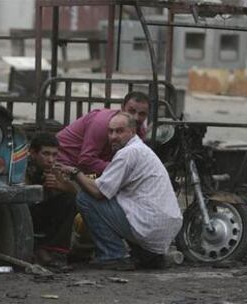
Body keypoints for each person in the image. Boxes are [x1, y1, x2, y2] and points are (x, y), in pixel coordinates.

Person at [61, 112, 182, 270]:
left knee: (86, 198)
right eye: (110, 131)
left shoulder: (128, 153)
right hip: (162, 228)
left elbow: (98, 192)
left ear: (132, 131)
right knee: (119, 202)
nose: (113, 136)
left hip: (150, 225)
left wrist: (75, 173)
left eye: (119, 131)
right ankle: (145, 255)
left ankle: (113, 255)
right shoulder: (140, 149)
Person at [57, 91, 150, 176]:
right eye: (132, 111)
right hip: (63, 162)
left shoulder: (140, 130)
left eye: (142, 114)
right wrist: (118, 168)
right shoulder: (102, 123)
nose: (136, 117)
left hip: (85, 170)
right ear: (122, 108)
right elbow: (86, 160)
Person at [26, 132, 77, 265]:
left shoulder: (54, 170)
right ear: (33, 152)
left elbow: (76, 193)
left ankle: (53, 250)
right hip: (23, 214)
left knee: (69, 199)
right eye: (46, 154)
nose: (51, 160)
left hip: (43, 218)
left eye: (54, 155)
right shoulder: (21, 168)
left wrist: (62, 186)